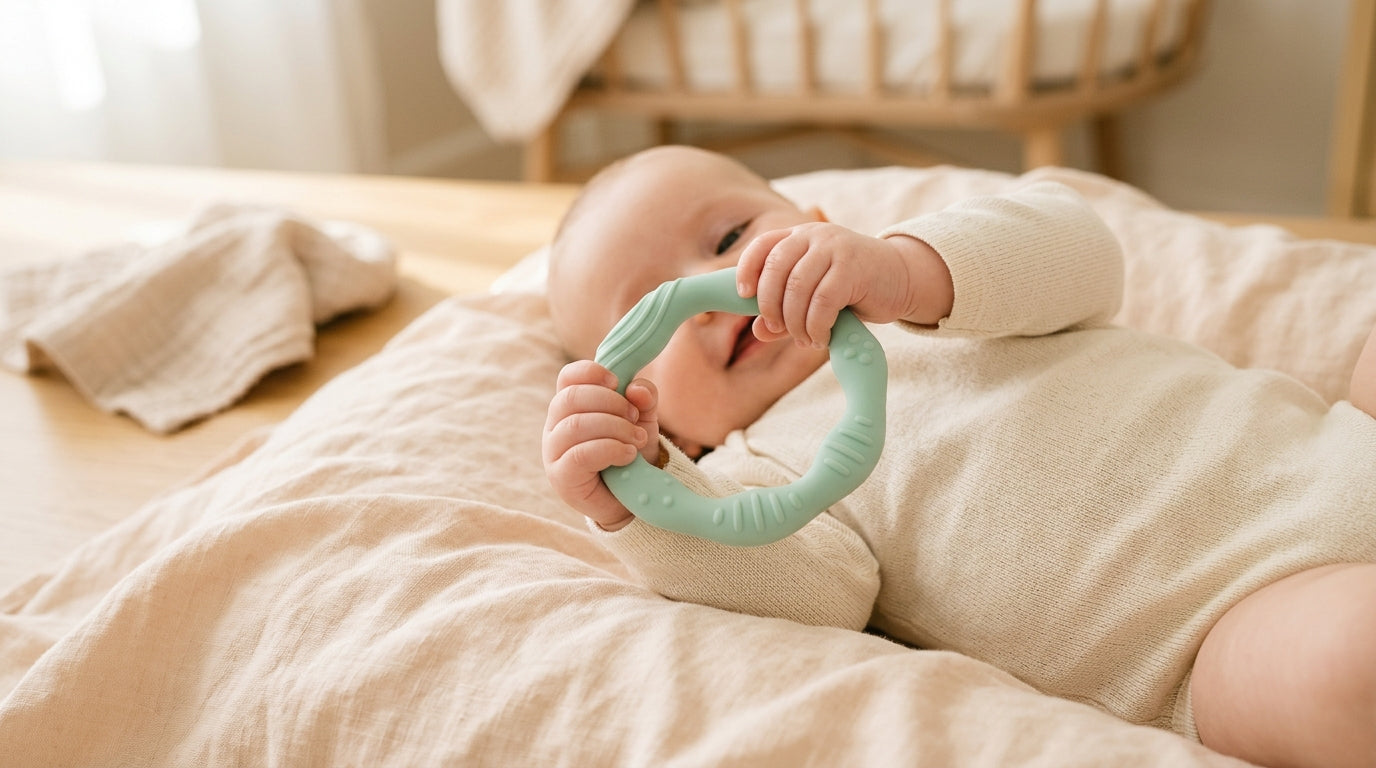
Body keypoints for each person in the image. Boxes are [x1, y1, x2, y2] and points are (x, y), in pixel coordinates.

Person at [540, 145, 1376, 768]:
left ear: (822, 231)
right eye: (648, 311)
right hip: (1224, 626)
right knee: (1351, 669)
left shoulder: (947, 293)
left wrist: (908, 269)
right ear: (667, 423)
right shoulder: (765, 477)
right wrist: (638, 491)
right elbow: (802, 593)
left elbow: (1081, 252)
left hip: (1340, 441)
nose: (713, 288)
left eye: (731, 234)